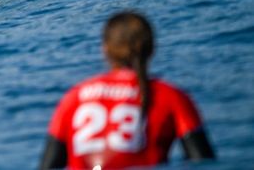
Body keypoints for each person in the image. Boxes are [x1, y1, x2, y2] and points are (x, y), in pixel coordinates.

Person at [39, 11, 215, 169]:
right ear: (152, 49)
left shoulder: (74, 97)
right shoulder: (171, 96)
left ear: (105, 50)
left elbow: (47, 165)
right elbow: (203, 161)